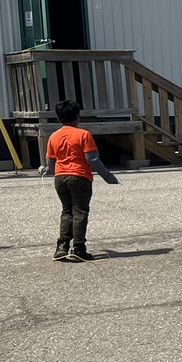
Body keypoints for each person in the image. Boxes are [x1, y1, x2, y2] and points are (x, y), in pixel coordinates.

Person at [42, 99, 119, 262]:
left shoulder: (53, 136)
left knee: (67, 211)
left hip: (60, 178)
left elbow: (50, 163)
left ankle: (62, 247)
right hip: (79, 177)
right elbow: (92, 160)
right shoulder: (84, 135)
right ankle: (78, 248)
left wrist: (45, 171)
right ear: (78, 116)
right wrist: (108, 177)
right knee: (80, 211)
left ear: (58, 118)